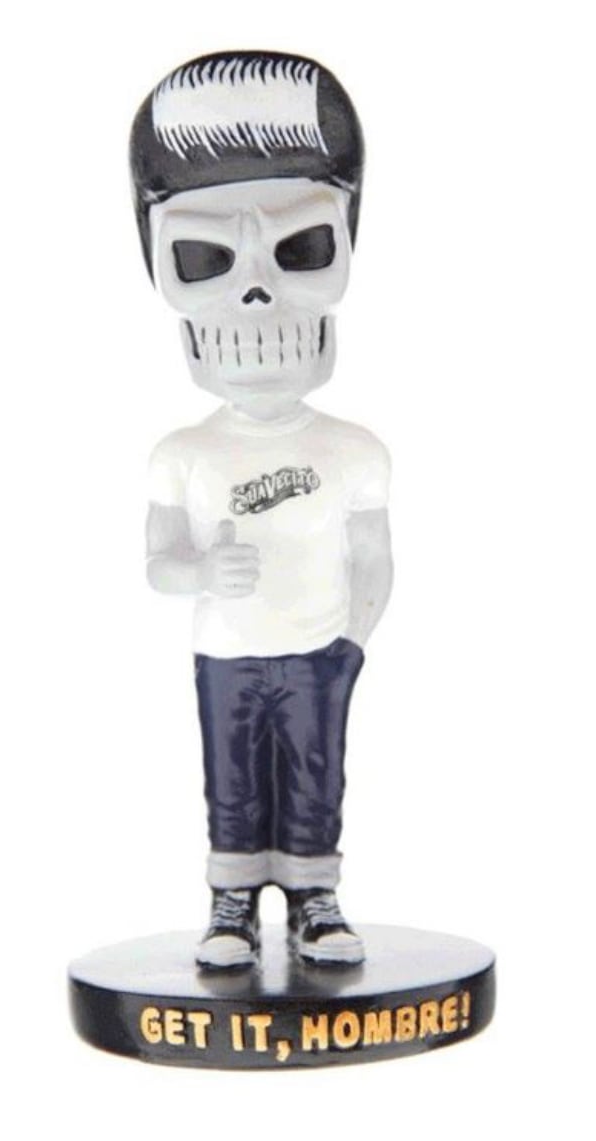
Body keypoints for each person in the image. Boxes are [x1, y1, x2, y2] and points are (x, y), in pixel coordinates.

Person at [131, 51, 393, 968]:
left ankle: (316, 895)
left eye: (299, 249)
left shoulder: (354, 449)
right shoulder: (182, 452)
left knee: (315, 771)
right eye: (206, 258)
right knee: (234, 775)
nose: (254, 294)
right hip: (228, 649)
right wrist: (198, 570)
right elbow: (157, 560)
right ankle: (232, 901)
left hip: (316, 644)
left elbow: (374, 553)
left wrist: (352, 640)